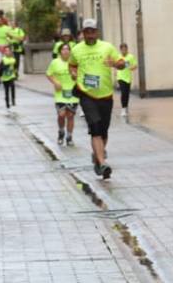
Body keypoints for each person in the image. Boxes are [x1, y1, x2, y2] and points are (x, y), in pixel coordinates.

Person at [67, 17, 126, 178]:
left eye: (92, 31)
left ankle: (97, 157)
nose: (90, 35)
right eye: (87, 32)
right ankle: (102, 163)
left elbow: (122, 63)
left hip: (106, 95)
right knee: (95, 127)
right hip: (86, 94)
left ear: (97, 32)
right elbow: (72, 64)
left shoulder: (107, 47)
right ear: (83, 33)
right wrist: (73, 72)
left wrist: (116, 64)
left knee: (104, 131)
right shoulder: (77, 50)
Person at [46, 42, 79, 146]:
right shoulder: (55, 62)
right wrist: (55, 82)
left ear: (70, 51)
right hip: (60, 93)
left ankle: (69, 137)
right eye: (63, 49)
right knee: (61, 115)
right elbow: (49, 74)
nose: (65, 51)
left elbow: (81, 74)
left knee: (70, 116)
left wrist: (75, 76)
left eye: (67, 49)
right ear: (60, 51)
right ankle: (61, 132)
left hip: (73, 93)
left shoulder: (74, 62)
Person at [115, 43, 137, 119]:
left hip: (128, 78)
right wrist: (118, 66)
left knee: (127, 94)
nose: (124, 50)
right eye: (122, 49)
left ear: (127, 49)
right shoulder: (118, 57)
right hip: (120, 77)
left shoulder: (130, 57)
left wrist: (130, 67)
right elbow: (115, 65)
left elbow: (135, 66)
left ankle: (126, 106)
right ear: (120, 50)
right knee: (123, 92)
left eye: (125, 49)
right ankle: (123, 109)